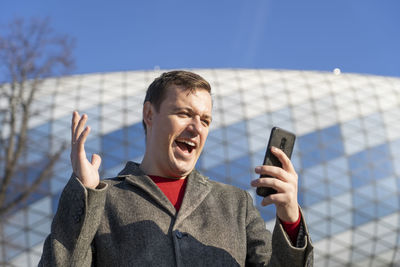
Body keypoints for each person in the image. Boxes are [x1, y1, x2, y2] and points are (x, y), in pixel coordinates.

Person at [39, 70, 313, 266]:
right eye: (184, 114)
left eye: (205, 120)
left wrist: (290, 220)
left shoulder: (235, 205)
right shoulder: (104, 198)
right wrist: (84, 195)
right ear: (149, 114)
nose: (196, 128)